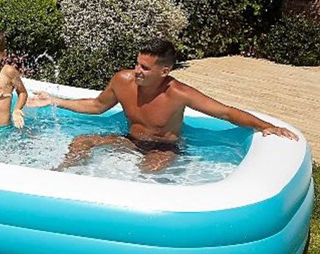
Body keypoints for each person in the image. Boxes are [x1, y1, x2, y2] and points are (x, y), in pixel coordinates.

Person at [27, 38, 298, 172]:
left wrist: (267, 126)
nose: (137, 71)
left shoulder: (178, 93)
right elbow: (98, 106)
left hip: (165, 147)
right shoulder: (123, 81)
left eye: (145, 67)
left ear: (164, 70)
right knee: (82, 141)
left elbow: (225, 112)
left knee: (149, 172)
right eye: (137, 64)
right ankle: (63, 179)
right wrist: (56, 101)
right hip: (130, 139)